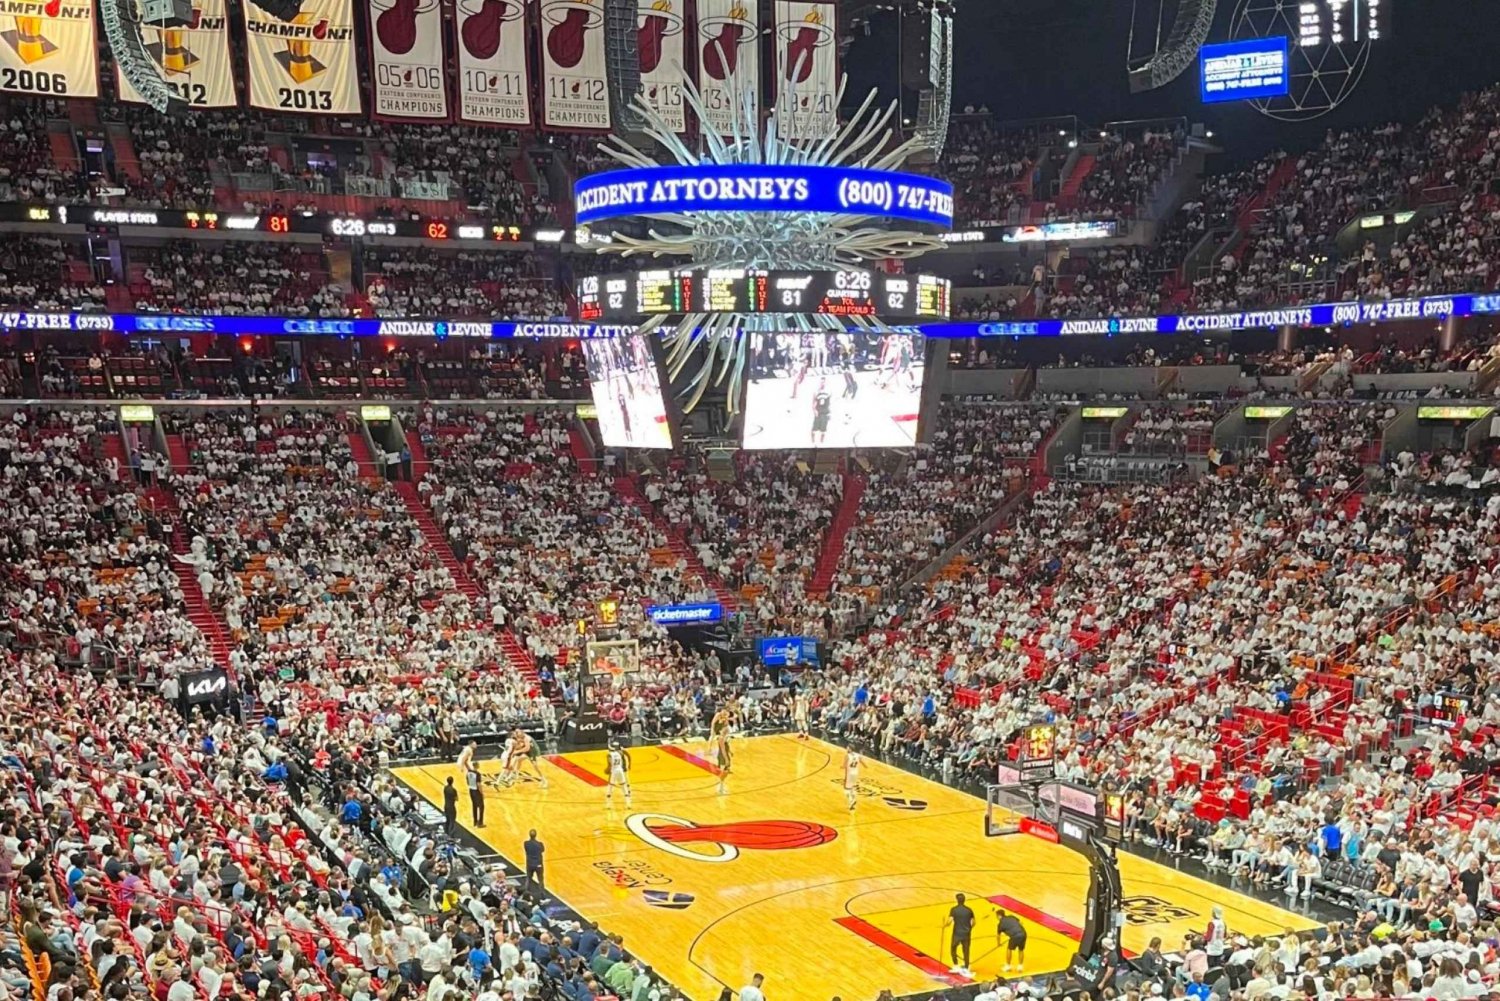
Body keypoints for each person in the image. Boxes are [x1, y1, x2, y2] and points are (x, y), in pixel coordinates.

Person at [944, 892, 974, 975]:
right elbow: (973, 922)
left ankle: (956, 965)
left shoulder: (954, 909)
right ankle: (966, 967)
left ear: (957, 900)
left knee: (953, 948)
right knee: (966, 951)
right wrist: (969, 928)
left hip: (957, 933)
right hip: (966, 933)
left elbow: (949, 921)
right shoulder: (969, 910)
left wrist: (944, 925)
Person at [458, 740, 484, 826]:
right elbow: (464, 759)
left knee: (474, 806)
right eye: (475, 743)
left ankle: (475, 822)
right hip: (476, 790)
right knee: (481, 806)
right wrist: (463, 767)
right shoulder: (469, 750)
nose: (476, 744)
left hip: (471, 790)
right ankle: (480, 822)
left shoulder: (469, 774)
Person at [998, 907, 1027, 972]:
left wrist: (999, 944)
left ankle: (1008, 966)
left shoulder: (1000, 924)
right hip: (1023, 933)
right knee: (1021, 950)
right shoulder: (1011, 916)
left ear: (999, 916)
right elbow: (1020, 922)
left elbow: (998, 935)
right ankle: (1020, 967)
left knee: (1009, 949)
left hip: (1015, 936)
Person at [606, 741, 632, 806]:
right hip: (620, 769)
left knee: (610, 786)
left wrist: (608, 770)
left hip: (615, 770)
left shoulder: (609, 755)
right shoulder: (620, 753)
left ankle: (608, 804)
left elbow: (610, 765)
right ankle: (628, 803)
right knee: (624, 785)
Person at [523, 830, 545, 897]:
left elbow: (526, 850)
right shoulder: (540, 844)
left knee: (528, 878)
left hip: (530, 864)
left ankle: (525, 893)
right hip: (538, 864)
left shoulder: (526, 843)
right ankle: (542, 895)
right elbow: (543, 850)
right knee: (540, 880)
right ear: (536, 835)